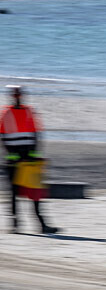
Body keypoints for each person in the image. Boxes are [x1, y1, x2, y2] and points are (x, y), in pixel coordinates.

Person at [0, 86, 58, 234]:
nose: (17, 97)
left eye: (19, 95)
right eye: (15, 95)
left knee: (34, 192)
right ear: (12, 96)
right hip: (15, 160)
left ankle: (41, 224)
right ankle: (16, 224)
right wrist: (14, 155)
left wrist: (34, 154)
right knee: (15, 192)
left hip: (28, 160)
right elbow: (3, 137)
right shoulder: (6, 113)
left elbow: (36, 134)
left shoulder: (28, 111)